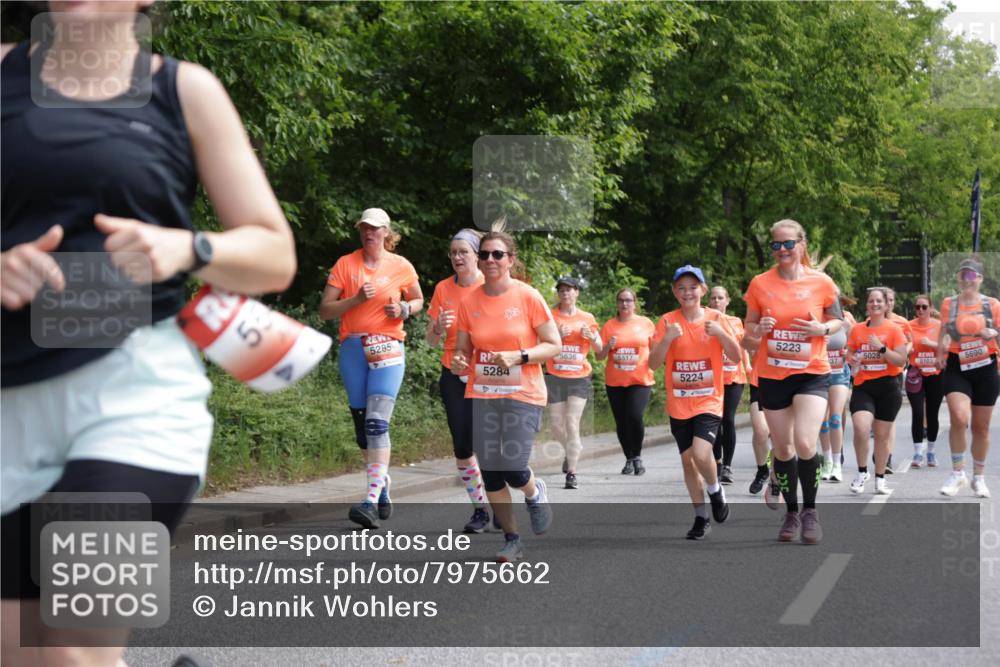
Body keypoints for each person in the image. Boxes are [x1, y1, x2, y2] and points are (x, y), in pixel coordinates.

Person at [1, 4, 296, 666]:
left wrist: (184, 246)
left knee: (71, 645)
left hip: (134, 398)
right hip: (8, 406)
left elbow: (275, 254)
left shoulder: (185, 90)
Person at [452, 230, 560, 563]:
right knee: (491, 470)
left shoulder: (528, 296)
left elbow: (554, 344)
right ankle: (513, 539)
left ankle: (534, 491)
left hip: (523, 392)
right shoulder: (469, 301)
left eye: (497, 254)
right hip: (483, 391)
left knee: (512, 465)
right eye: (484, 254)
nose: (489, 260)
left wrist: (520, 356)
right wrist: (459, 360)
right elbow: (462, 350)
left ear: (511, 260)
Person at [320, 208, 424, 528]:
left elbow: (419, 300)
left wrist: (404, 307)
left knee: (378, 424)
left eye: (376, 229)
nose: (369, 233)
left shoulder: (401, 265)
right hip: (353, 347)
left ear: (386, 233)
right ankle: (382, 485)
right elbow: (324, 311)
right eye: (365, 228)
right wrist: (353, 301)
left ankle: (369, 498)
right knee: (363, 428)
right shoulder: (345, 264)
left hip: (389, 346)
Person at [743, 219, 843, 544]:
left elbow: (839, 321)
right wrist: (758, 331)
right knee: (783, 449)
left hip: (812, 371)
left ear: (801, 244)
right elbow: (747, 335)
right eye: (776, 245)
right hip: (772, 375)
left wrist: (822, 330)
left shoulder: (822, 282)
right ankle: (791, 512)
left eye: (788, 244)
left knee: (804, 442)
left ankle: (811, 511)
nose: (782, 250)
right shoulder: (759, 284)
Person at [650, 267, 739, 539]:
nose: (687, 292)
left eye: (693, 287)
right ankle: (701, 518)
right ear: (675, 292)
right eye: (681, 287)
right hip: (679, 404)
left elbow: (735, 357)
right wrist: (666, 339)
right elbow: (653, 363)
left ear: (702, 290)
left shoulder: (716, 319)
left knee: (702, 454)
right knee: (688, 463)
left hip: (709, 401)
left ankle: (715, 490)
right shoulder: (667, 321)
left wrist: (722, 335)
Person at [425, 229, 489, 532]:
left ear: (477, 254)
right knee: (463, 447)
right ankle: (480, 509)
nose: (457, 257)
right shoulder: (442, 289)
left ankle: (504, 504)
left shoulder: (491, 287)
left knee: (488, 445)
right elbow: (430, 340)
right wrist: (437, 326)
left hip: (488, 373)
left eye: (463, 251)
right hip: (453, 374)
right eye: (453, 252)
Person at [936, 258, 1000, 498]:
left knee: (981, 427)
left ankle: (979, 477)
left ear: (981, 279)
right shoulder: (949, 304)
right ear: (958, 278)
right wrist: (940, 353)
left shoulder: (993, 305)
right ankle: (957, 472)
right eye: (963, 275)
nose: (967, 279)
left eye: (972, 275)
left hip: (986, 368)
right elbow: (943, 333)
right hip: (957, 366)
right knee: (959, 417)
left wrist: (993, 333)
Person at [845, 288, 908, 495]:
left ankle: (880, 478)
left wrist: (881, 348)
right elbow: (850, 352)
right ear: (867, 305)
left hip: (889, 387)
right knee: (861, 428)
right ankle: (862, 472)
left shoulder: (894, 329)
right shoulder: (857, 330)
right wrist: (851, 358)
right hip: (864, 386)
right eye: (871, 301)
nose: (875, 304)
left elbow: (901, 360)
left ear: (886, 305)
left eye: (879, 301)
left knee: (881, 436)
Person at [546, 276, 602, 489]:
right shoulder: (550, 316)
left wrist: (592, 337)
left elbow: (599, 348)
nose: (565, 293)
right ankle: (571, 450)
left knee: (571, 421)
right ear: (558, 294)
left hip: (579, 377)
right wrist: (557, 335)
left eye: (569, 290)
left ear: (577, 292)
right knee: (556, 425)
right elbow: (540, 343)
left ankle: (572, 473)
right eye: (561, 290)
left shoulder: (586, 317)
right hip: (555, 376)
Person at [596, 288, 656, 475]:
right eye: (621, 300)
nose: (625, 304)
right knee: (621, 421)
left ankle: (637, 456)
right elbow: (599, 356)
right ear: (617, 303)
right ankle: (628, 458)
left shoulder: (645, 323)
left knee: (634, 415)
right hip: (615, 381)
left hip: (640, 379)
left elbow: (655, 350)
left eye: (628, 300)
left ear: (634, 302)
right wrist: (608, 346)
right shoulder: (609, 326)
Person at [708, 286, 748, 485]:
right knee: (715, 421)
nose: (716, 301)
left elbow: (742, 346)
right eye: (713, 298)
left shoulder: (735, 322)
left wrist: (747, 365)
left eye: (720, 298)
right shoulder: (704, 322)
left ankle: (728, 467)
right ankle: (717, 462)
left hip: (734, 378)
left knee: (728, 420)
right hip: (712, 381)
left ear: (727, 301)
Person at [820, 293, 854, 482]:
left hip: (839, 373)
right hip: (819, 374)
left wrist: (848, 350)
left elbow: (856, 346)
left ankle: (837, 464)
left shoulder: (846, 319)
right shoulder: (817, 318)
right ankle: (826, 461)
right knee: (822, 421)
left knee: (835, 417)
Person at [906, 293, 944, 468]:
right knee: (918, 413)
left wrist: (932, 344)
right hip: (916, 375)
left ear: (931, 308)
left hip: (936, 375)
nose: (920, 310)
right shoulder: (909, 326)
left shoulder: (938, 325)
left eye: (924, 307)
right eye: (917, 307)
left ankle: (931, 451)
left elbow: (949, 347)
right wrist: (907, 348)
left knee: (932, 413)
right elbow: (902, 345)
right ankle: (917, 453)